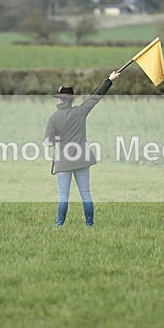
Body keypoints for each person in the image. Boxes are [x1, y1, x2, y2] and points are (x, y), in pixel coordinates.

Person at [43, 70, 121, 227]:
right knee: (86, 194)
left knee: (63, 196)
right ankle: (90, 225)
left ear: (59, 100)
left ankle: (59, 226)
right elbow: (96, 96)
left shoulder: (53, 118)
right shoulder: (81, 111)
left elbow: (47, 142)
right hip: (82, 158)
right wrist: (110, 80)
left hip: (63, 160)